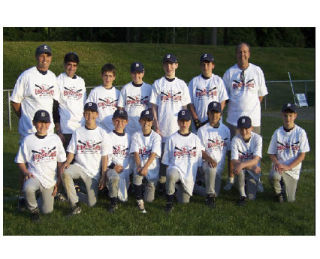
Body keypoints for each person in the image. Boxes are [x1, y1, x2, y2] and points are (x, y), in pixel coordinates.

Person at [10, 44, 60, 209]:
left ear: (51, 58)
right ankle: (23, 196)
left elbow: (54, 103)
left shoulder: (53, 77)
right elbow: (15, 101)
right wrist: (24, 117)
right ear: (36, 57)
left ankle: (46, 191)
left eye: (48, 56)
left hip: (48, 130)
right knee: (25, 163)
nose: (45, 59)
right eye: (41, 55)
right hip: (29, 129)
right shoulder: (27, 75)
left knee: (46, 160)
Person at [223, 42, 268, 190]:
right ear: (236, 54)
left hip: (253, 120)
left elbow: (261, 95)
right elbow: (225, 96)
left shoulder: (257, 71)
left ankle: (255, 180)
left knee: (254, 150)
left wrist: (250, 109)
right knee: (233, 151)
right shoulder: (230, 73)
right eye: (239, 52)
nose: (242, 55)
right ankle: (231, 179)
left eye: (245, 52)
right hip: (234, 119)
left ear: (249, 54)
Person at [149, 53, 191, 193]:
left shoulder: (182, 84)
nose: (169, 66)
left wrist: (184, 128)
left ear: (176, 65)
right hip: (163, 128)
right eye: (166, 64)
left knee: (176, 156)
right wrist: (156, 125)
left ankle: (175, 182)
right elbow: (153, 106)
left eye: (171, 63)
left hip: (177, 129)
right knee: (161, 158)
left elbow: (185, 107)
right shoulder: (158, 83)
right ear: (163, 66)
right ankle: (161, 182)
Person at [14, 110, 66, 221]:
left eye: (45, 122)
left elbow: (61, 163)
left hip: (50, 180)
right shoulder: (28, 140)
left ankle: (37, 198)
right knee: (28, 187)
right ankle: (33, 211)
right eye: (39, 122)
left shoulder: (55, 139)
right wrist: (26, 172)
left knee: (47, 210)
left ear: (49, 124)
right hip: (35, 176)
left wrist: (58, 182)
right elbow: (20, 160)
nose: (42, 125)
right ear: (34, 123)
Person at [61, 102, 111, 215]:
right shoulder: (78, 131)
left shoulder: (102, 133)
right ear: (84, 114)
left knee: (91, 203)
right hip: (79, 167)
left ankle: (74, 191)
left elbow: (104, 157)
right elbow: (72, 151)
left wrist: (103, 175)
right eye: (87, 113)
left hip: (93, 174)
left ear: (97, 114)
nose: (89, 115)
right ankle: (74, 205)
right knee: (65, 173)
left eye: (92, 112)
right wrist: (67, 162)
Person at [162, 109, 204, 213]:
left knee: (184, 202)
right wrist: (169, 179)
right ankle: (169, 202)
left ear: (190, 122)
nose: (184, 123)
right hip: (175, 169)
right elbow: (167, 162)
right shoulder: (171, 138)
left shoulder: (195, 139)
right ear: (178, 122)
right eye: (181, 121)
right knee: (171, 174)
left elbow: (198, 161)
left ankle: (181, 187)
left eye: (186, 121)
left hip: (189, 174)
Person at [267, 103, 310, 202]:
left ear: (295, 116)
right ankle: (278, 193)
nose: (288, 118)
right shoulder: (277, 133)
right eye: (285, 115)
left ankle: (288, 185)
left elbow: (302, 155)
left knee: (290, 200)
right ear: (282, 115)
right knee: (274, 176)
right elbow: (271, 153)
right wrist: (277, 163)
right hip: (280, 167)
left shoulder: (300, 132)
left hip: (293, 170)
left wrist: (289, 167)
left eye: (290, 115)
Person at [197, 102, 231, 208]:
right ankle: (210, 197)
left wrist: (231, 176)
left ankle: (193, 187)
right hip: (206, 164)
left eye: (217, 113)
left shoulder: (226, 130)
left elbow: (229, 151)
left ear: (220, 114)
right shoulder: (202, 130)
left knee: (216, 192)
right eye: (212, 113)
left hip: (219, 168)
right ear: (208, 113)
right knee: (211, 168)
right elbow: (200, 152)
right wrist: (210, 159)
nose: (214, 115)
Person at [130, 108, 162, 213]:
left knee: (149, 199)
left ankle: (145, 186)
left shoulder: (156, 137)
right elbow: (135, 152)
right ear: (140, 121)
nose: (146, 123)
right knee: (137, 174)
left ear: (152, 122)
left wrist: (145, 167)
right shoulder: (136, 135)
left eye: (148, 120)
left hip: (151, 168)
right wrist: (139, 166)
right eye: (144, 120)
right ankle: (139, 199)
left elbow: (153, 154)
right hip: (141, 167)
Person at [100, 109, 132, 213]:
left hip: (126, 171)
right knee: (114, 178)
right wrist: (113, 166)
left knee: (124, 199)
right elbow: (105, 157)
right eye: (117, 120)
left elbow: (132, 157)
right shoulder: (108, 136)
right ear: (113, 121)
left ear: (127, 122)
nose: (120, 124)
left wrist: (130, 172)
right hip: (113, 169)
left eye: (123, 121)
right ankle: (113, 203)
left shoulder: (129, 137)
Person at [188, 53, 229, 132]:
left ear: (213, 65)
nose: (205, 67)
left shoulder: (218, 81)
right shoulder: (194, 82)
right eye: (203, 64)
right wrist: (196, 119)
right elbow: (190, 103)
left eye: (208, 64)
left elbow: (223, 101)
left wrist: (216, 116)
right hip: (199, 123)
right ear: (200, 66)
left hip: (215, 123)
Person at [56, 52, 86, 150]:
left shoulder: (81, 81)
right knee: (66, 161)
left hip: (80, 128)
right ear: (64, 65)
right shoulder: (58, 80)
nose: (71, 68)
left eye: (74, 65)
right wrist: (58, 131)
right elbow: (54, 107)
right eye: (69, 64)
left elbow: (84, 105)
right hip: (66, 129)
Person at [231, 116, 263, 206]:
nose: (244, 132)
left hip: (253, 171)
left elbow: (256, 160)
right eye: (241, 129)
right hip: (249, 168)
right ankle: (242, 196)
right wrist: (247, 166)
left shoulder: (257, 138)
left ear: (252, 128)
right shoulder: (235, 139)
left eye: (246, 128)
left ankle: (256, 182)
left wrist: (242, 165)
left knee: (252, 197)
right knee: (240, 170)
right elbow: (234, 160)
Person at [118, 62, 152, 136]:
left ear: (143, 73)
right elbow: (120, 108)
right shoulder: (126, 88)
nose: (136, 75)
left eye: (139, 73)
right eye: (134, 73)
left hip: (144, 128)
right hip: (129, 128)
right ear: (131, 73)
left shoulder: (149, 88)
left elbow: (151, 108)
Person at [86, 63, 119, 132]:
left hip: (113, 130)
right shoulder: (95, 91)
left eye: (110, 76)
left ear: (114, 77)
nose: (108, 79)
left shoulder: (118, 93)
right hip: (98, 129)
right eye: (105, 75)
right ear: (102, 76)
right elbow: (88, 110)